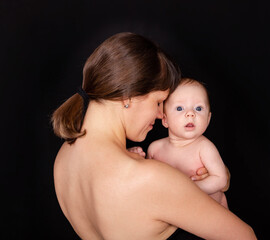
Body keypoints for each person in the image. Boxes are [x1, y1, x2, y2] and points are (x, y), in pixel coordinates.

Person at [51, 32, 256, 239]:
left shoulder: (63, 159)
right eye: (159, 102)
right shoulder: (149, 178)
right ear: (128, 96)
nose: (160, 115)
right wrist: (196, 185)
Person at [147, 78, 229, 208]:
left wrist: (191, 189)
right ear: (165, 119)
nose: (190, 113)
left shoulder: (204, 148)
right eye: (180, 108)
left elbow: (220, 179)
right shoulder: (155, 149)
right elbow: (147, 177)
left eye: (198, 108)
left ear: (208, 119)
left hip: (211, 214)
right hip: (176, 214)